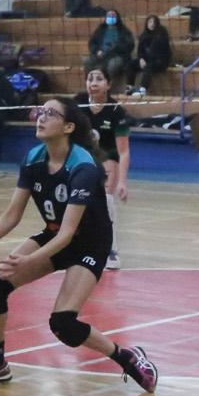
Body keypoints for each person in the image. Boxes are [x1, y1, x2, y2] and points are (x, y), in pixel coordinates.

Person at [0, 96, 158, 393]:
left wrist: (30, 260)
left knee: (63, 323)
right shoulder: (33, 158)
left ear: (68, 127)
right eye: (41, 111)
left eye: (50, 113)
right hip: (54, 235)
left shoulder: (83, 167)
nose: (41, 116)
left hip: (88, 245)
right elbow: (13, 215)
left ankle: (127, 357)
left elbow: (68, 233)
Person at [77, 67, 131, 269]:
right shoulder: (78, 104)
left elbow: (123, 151)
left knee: (106, 203)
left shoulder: (116, 111)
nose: (93, 83)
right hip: (83, 159)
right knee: (78, 203)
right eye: (90, 79)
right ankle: (80, 246)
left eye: (99, 79)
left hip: (108, 159)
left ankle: (111, 250)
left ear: (108, 85)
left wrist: (123, 182)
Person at [83, 9, 133, 88]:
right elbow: (92, 42)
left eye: (113, 16)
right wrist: (97, 51)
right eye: (109, 16)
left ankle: (106, 86)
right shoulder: (101, 28)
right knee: (87, 62)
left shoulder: (123, 30)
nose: (111, 17)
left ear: (117, 17)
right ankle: (90, 84)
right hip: (100, 54)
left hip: (117, 56)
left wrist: (115, 48)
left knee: (113, 65)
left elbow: (129, 45)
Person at [131, 14, 171, 97]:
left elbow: (163, 53)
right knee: (130, 64)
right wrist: (141, 59)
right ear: (147, 23)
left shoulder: (162, 35)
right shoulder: (143, 35)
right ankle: (130, 87)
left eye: (154, 22)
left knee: (148, 67)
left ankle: (143, 90)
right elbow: (140, 51)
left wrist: (147, 61)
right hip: (146, 60)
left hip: (160, 61)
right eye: (150, 22)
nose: (152, 24)